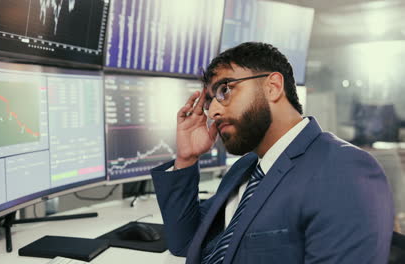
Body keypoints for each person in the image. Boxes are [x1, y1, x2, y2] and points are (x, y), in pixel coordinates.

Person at [150, 42, 394, 264]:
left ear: (273, 87)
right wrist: (187, 159)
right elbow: (185, 242)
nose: (212, 111)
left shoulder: (346, 170)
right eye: (209, 102)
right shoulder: (246, 167)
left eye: (225, 90)